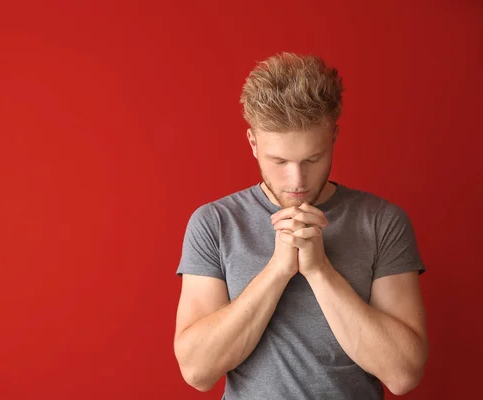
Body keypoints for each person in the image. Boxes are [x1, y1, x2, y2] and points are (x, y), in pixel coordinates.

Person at [173, 52, 428, 400]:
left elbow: (403, 374)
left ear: (334, 137)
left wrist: (320, 270)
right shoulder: (215, 223)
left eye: (313, 158)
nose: (297, 180)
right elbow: (198, 371)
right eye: (278, 161)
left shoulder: (382, 221)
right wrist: (278, 270)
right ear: (253, 144)